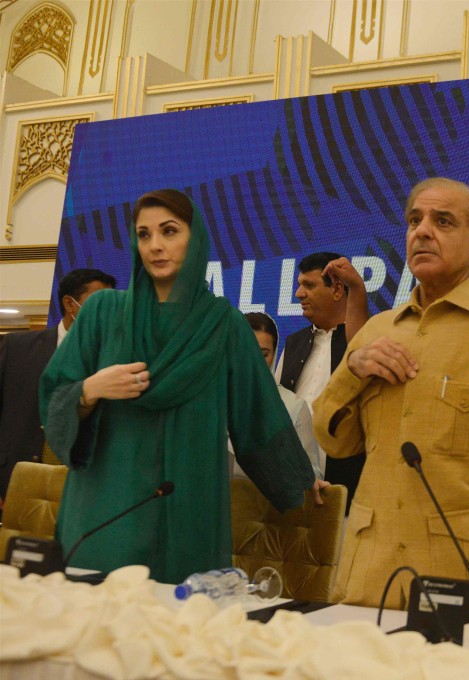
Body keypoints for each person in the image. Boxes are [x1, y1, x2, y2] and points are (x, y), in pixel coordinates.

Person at [313, 177, 469, 620]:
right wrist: (352, 373)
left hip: (463, 582)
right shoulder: (377, 331)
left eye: (443, 221)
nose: (422, 231)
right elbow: (336, 443)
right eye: (414, 220)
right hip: (367, 578)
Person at [40, 189, 317, 583]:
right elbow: (54, 396)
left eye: (169, 231)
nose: (155, 246)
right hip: (104, 510)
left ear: (196, 236)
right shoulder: (102, 314)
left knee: (176, 632)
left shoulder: (223, 326)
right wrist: (90, 389)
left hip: (187, 508)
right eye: (144, 234)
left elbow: (258, 417)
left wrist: (302, 481)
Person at [0, 268, 115, 505]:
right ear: (70, 304)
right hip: (16, 480)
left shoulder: (112, 358)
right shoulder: (16, 348)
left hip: (84, 486)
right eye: (96, 304)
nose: (105, 313)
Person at [276, 252, 369, 507]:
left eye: (309, 285)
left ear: (338, 290)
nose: (298, 294)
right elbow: (277, 410)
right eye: (298, 285)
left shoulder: (365, 341)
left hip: (349, 491)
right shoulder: (293, 344)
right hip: (293, 487)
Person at [234, 311, 321, 480]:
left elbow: (312, 476)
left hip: (267, 505)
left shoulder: (293, 406)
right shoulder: (212, 399)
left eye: (264, 353)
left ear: (274, 355)